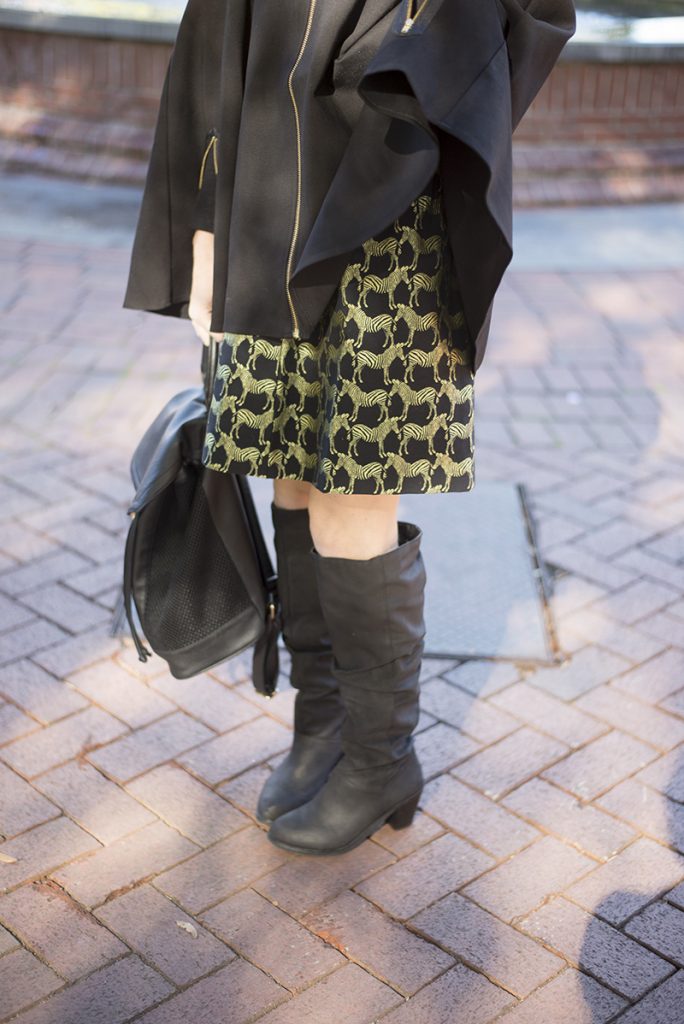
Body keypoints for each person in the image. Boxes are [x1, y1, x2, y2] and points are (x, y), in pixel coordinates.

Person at [123, 0, 576, 855]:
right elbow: (218, 27)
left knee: (352, 483)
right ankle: (323, 722)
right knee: (289, 464)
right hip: (271, 187)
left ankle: (380, 760)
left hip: (390, 201)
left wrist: (407, 76)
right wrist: (208, 220)